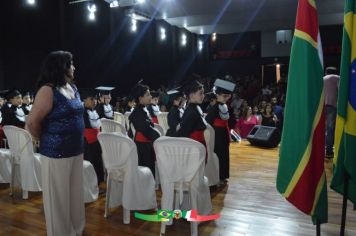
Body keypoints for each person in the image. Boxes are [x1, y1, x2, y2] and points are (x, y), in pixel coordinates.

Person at [26, 51, 85, 236]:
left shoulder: (73, 88)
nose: (74, 67)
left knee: (75, 195)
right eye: (71, 64)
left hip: (76, 149)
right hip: (55, 152)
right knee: (57, 198)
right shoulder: (47, 90)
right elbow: (33, 122)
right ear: (61, 67)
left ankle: (76, 229)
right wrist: (44, 138)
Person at [205, 79, 236, 183]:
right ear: (217, 95)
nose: (226, 98)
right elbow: (207, 122)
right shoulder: (214, 108)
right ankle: (217, 176)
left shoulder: (225, 106)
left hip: (223, 133)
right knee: (218, 155)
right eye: (224, 96)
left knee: (224, 155)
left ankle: (223, 175)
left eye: (227, 96)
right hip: (216, 135)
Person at [129, 82, 160, 177]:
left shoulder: (143, 109)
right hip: (142, 148)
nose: (151, 96)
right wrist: (161, 139)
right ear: (140, 98)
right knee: (146, 174)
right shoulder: (137, 113)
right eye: (148, 94)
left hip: (146, 145)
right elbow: (147, 130)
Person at [80, 88, 104, 185]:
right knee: (91, 163)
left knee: (98, 161)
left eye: (95, 99)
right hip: (87, 143)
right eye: (91, 99)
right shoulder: (82, 113)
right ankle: (91, 184)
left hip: (97, 142)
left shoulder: (95, 111)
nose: (94, 101)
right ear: (84, 100)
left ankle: (99, 182)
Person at [175, 79, 207, 149]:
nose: (203, 96)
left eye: (203, 93)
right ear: (192, 95)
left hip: (199, 144)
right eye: (200, 93)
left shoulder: (195, 107)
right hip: (194, 147)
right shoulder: (192, 111)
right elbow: (183, 132)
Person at [323, 66, 340, 159]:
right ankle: (329, 151)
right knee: (330, 129)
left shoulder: (322, 79)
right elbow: (341, 91)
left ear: (326, 72)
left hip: (322, 107)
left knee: (323, 128)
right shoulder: (338, 78)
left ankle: (321, 149)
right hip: (332, 106)